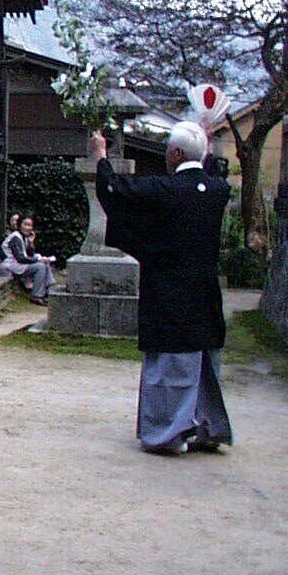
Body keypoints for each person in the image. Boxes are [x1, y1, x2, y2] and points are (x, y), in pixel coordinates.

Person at [92, 123, 232, 455]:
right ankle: (208, 426)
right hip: (205, 292)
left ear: (176, 153)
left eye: (170, 148)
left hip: (169, 291)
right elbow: (208, 170)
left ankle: (169, 433)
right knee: (204, 364)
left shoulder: (165, 191)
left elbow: (116, 191)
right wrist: (205, 146)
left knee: (172, 366)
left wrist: (100, 157)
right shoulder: (217, 191)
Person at [0, 214, 57, 304]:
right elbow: (21, 258)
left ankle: (47, 289)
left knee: (44, 263)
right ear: (20, 225)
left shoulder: (24, 237)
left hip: (17, 264)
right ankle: (36, 295)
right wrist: (38, 260)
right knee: (40, 267)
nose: (27, 227)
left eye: (29, 225)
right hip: (10, 265)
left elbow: (30, 254)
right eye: (25, 224)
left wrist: (31, 243)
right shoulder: (16, 237)